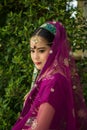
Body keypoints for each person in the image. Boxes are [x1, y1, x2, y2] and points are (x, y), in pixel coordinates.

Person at [12, 21, 87, 130]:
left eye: (41, 51)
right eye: (32, 51)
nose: (35, 56)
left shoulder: (54, 81)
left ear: (55, 50)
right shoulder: (47, 75)